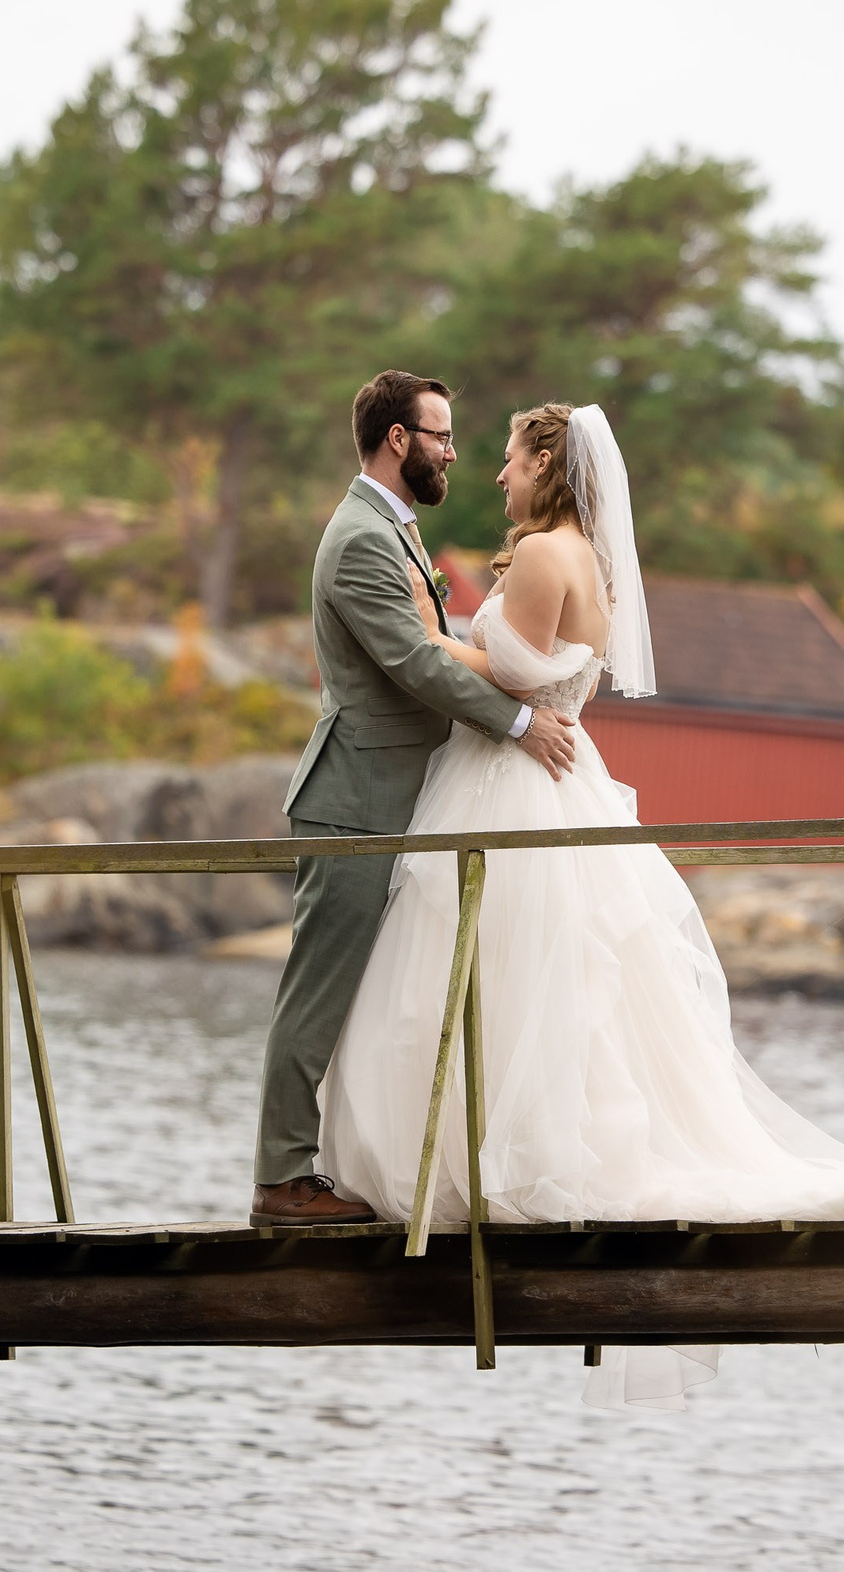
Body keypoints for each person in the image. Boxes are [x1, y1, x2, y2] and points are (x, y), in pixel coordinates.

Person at [311, 400, 844, 1408]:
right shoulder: (582, 554)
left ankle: (502, 1162)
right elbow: (543, 671)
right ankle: (505, 1149)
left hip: (520, 780)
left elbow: (515, 673)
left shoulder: (541, 558)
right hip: (547, 777)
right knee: (541, 984)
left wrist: (423, 645)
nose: (495, 477)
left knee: (508, 977)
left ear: (550, 463)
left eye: (507, 459)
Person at [249, 371, 580, 1227]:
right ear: (398, 439)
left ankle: (357, 1163)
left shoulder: (391, 530)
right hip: (357, 795)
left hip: (403, 793)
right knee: (320, 987)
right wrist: (517, 723)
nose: (454, 453)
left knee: (377, 991)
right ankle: (283, 1179)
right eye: (439, 436)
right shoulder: (361, 538)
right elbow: (414, 661)